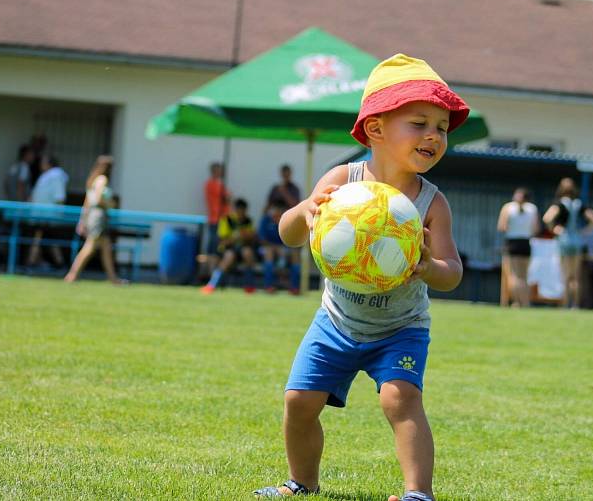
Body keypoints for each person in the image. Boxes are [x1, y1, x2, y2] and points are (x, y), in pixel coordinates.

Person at [254, 54, 468, 501]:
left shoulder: (432, 203)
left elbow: (452, 273)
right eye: (420, 123)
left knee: (400, 399)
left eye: (442, 128)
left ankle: (417, 493)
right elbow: (288, 233)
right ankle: (301, 483)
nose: (434, 135)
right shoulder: (341, 180)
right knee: (299, 403)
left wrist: (429, 267)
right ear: (375, 129)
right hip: (336, 321)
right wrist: (305, 210)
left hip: (400, 327)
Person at [542, 178, 593, 308]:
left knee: (565, 275)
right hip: (577, 241)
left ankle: (564, 304)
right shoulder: (579, 204)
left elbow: (547, 218)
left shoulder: (559, 204)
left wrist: (554, 228)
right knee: (575, 276)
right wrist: (585, 231)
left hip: (564, 240)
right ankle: (575, 305)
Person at [64, 156, 123, 284]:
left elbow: (87, 202)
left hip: (92, 215)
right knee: (89, 247)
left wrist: (83, 220)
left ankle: (113, 278)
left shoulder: (93, 179)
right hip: (99, 215)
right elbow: (99, 198)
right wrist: (110, 204)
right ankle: (72, 275)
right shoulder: (103, 179)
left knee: (106, 248)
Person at [200, 198, 258, 294]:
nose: (240, 213)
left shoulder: (248, 221)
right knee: (229, 256)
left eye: (243, 211)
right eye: (238, 210)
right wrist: (236, 237)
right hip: (226, 250)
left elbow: (252, 237)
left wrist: (247, 236)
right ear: (235, 210)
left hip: (242, 249)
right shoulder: (226, 220)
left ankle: (249, 286)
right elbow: (222, 242)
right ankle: (211, 285)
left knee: (248, 253)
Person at [496, 187, 539, 307]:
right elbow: (536, 229)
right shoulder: (532, 208)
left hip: (513, 242)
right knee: (524, 276)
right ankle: (526, 302)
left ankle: (516, 302)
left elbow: (501, 226)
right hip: (526, 243)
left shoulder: (508, 207)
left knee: (514, 276)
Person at [26, 154, 68, 268]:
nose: (41, 164)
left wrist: (59, 215)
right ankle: (59, 263)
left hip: (48, 215)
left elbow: (60, 197)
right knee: (47, 239)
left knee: (40, 238)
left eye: (43, 162)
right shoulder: (48, 175)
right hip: (43, 215)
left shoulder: (56, 175)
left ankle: (31, 262)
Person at [258, 199, 300, 294]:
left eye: (280, 210)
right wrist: (276, 248)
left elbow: (293, 239)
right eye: (275, 209)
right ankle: (269, 286)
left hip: (284, 249)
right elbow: (261, 240)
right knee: (269, 252)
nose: (277, 212)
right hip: (266, 249)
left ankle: (294, 288)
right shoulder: (266, 220)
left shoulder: (287, 221)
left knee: (295, 254)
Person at [203, 162, 231, 272]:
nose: (221, 172)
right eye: (219, 169)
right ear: (214, 171)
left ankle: (214, 273)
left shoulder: (218, 184)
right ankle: (211, 273)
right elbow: (227, 198)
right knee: (213, 248)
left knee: (218, 247)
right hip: (215, 220)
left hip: (221, 220)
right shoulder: (213, 184)